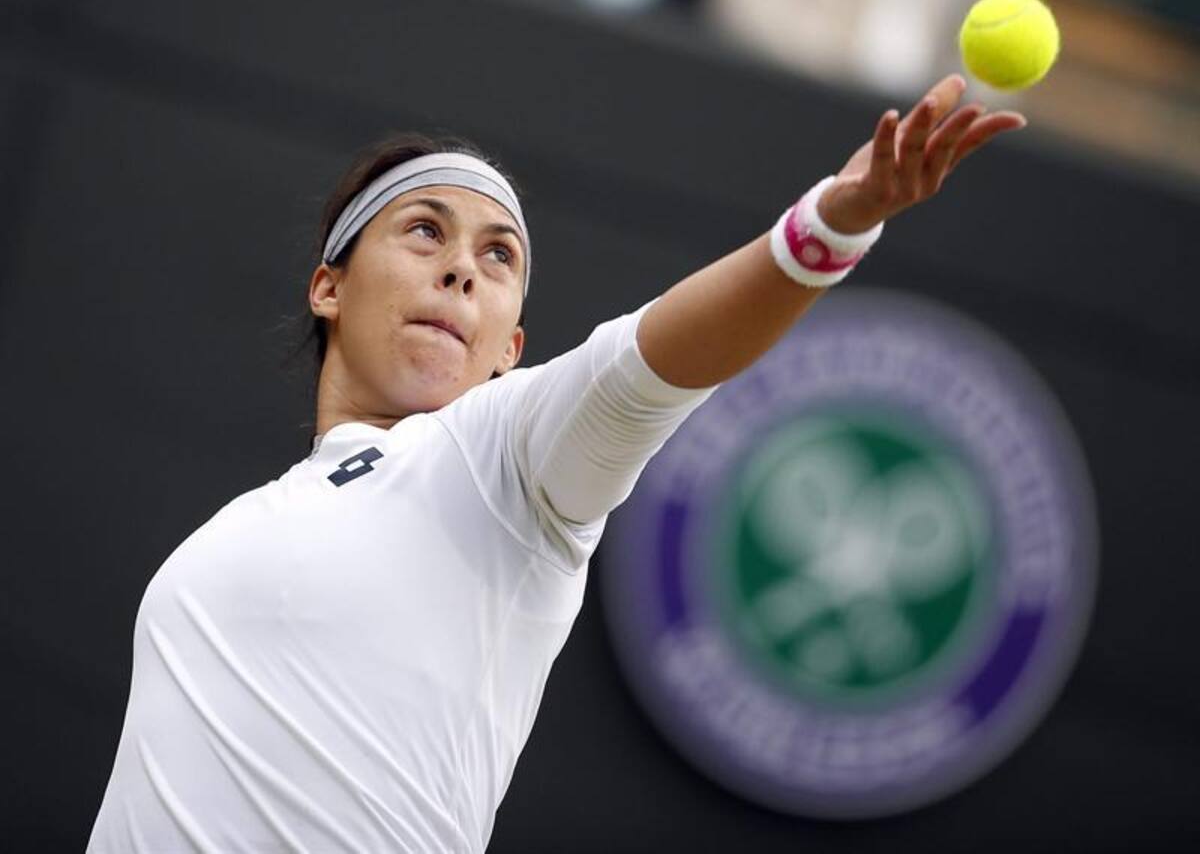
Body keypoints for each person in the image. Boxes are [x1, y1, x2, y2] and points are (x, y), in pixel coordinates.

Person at [87, 73, 1023, 852]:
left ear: (510, 349)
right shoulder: (237, 528)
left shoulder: (499, 460)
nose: (461, 269)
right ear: (328, 284)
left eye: (497, 257)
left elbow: (645, 366)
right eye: (424, 230)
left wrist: (835, 221)